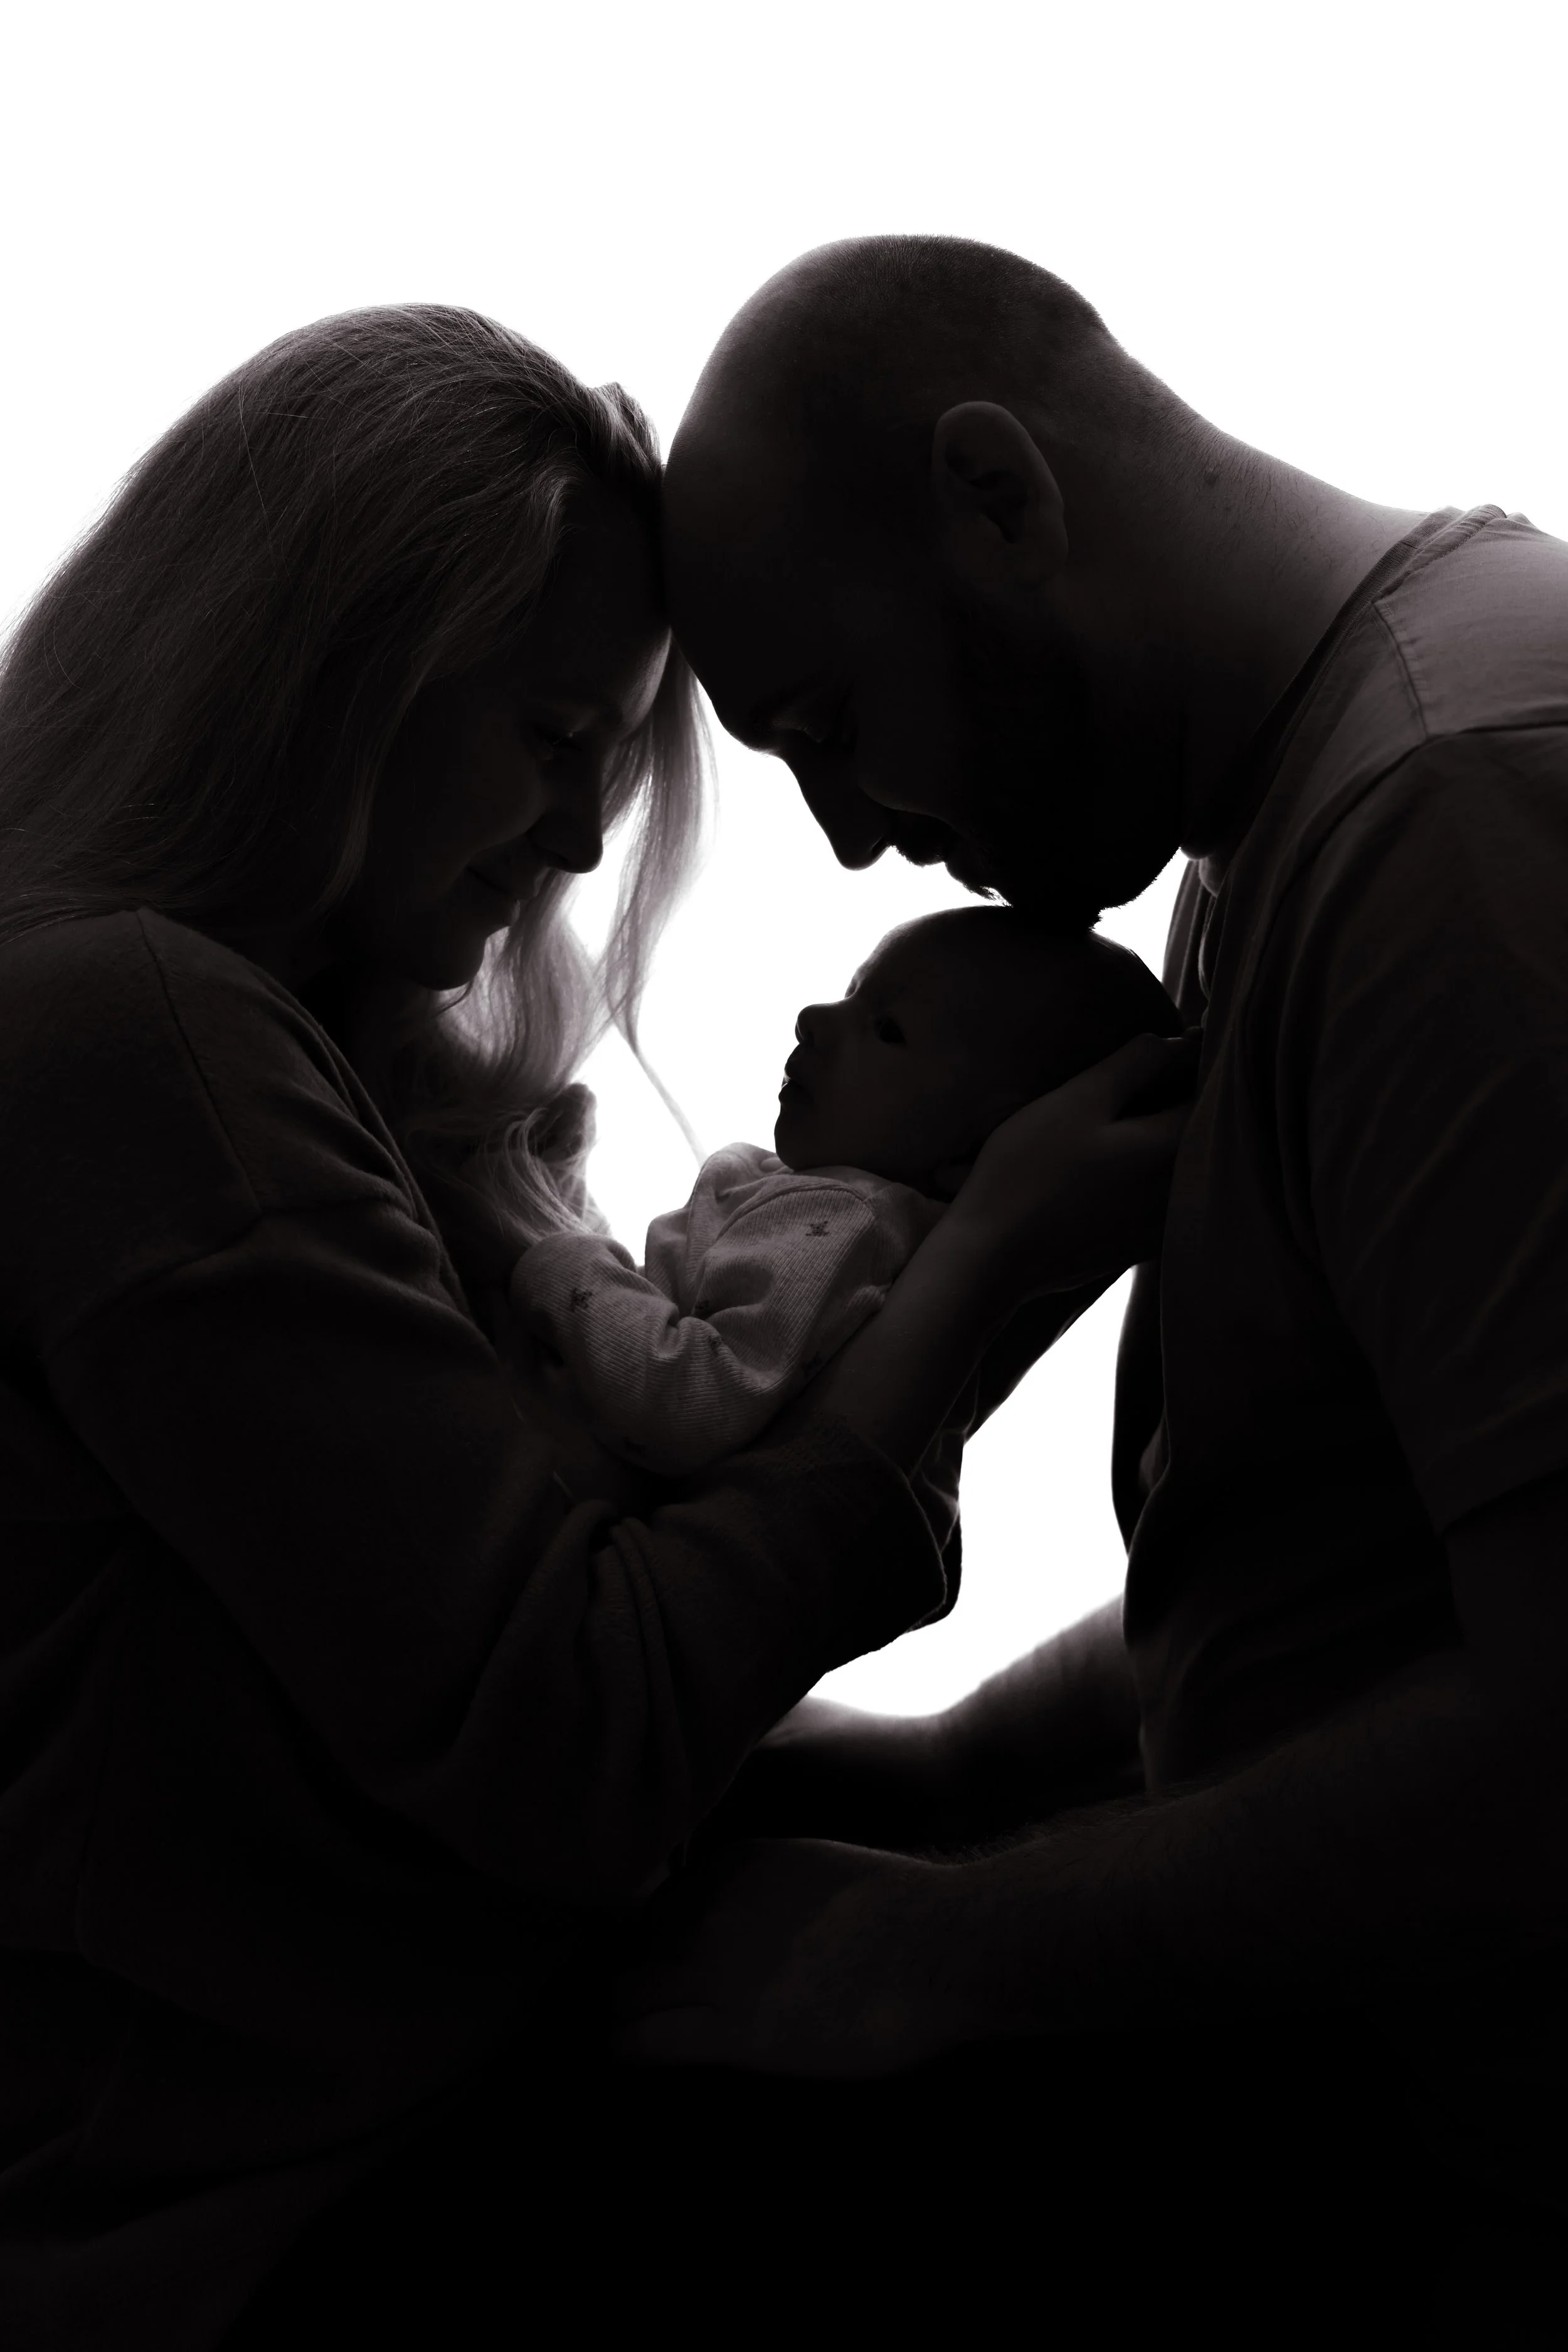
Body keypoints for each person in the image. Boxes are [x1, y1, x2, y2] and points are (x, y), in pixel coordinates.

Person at [0, 303, 1189, 2349]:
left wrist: (974, 1764)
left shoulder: (265, 1052)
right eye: (555, 735)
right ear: (324, 680)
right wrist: (975, 1278)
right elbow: (567, 1746)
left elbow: (423, 1728)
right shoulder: (140, 1040)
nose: (576, 839)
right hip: (244, 2235)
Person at [616, 235, 1568, 2344]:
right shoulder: (1295, 819)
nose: (850, 837)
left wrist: (930, 1953)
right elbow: (1346, 1576)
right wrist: (941, 1771)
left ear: (999, 493)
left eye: (831, 726)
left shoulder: (1457, 821)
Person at [511, 908, 1179, 1558]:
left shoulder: (845, 1224)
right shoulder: (840, 1214)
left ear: (978, 1147)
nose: (815, 1016)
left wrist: (563, 1261)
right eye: (852, 991)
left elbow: (687, 1401)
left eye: (887, 1029)